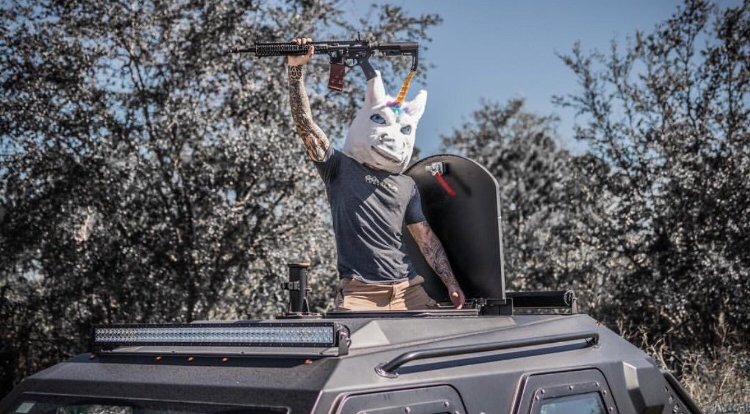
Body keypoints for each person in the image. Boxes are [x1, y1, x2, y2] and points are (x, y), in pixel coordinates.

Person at [287, 37, 465, 311]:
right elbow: (305, 126)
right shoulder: (339, 168)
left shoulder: (406, 184)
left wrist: (451, 283)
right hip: (360, 293)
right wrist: (296, 70)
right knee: (347, 338)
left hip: (408, 291)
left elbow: (425, 238)